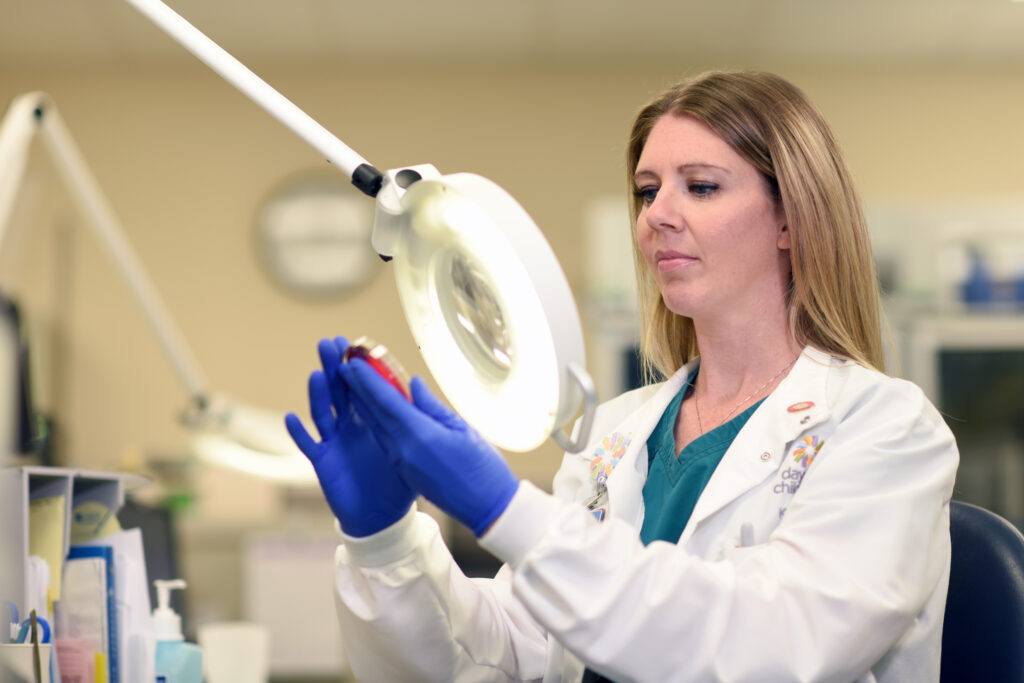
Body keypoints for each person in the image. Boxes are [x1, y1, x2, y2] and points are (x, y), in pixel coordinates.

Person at [285, 70, 959, 682]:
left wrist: (507, 509)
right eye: (646, 190)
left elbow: (770, 646)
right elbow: (502, 654)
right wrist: (385, 541)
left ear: (790, 217)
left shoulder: (885, 429)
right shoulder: (617, 432)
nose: (656, 215)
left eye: (700, 186)